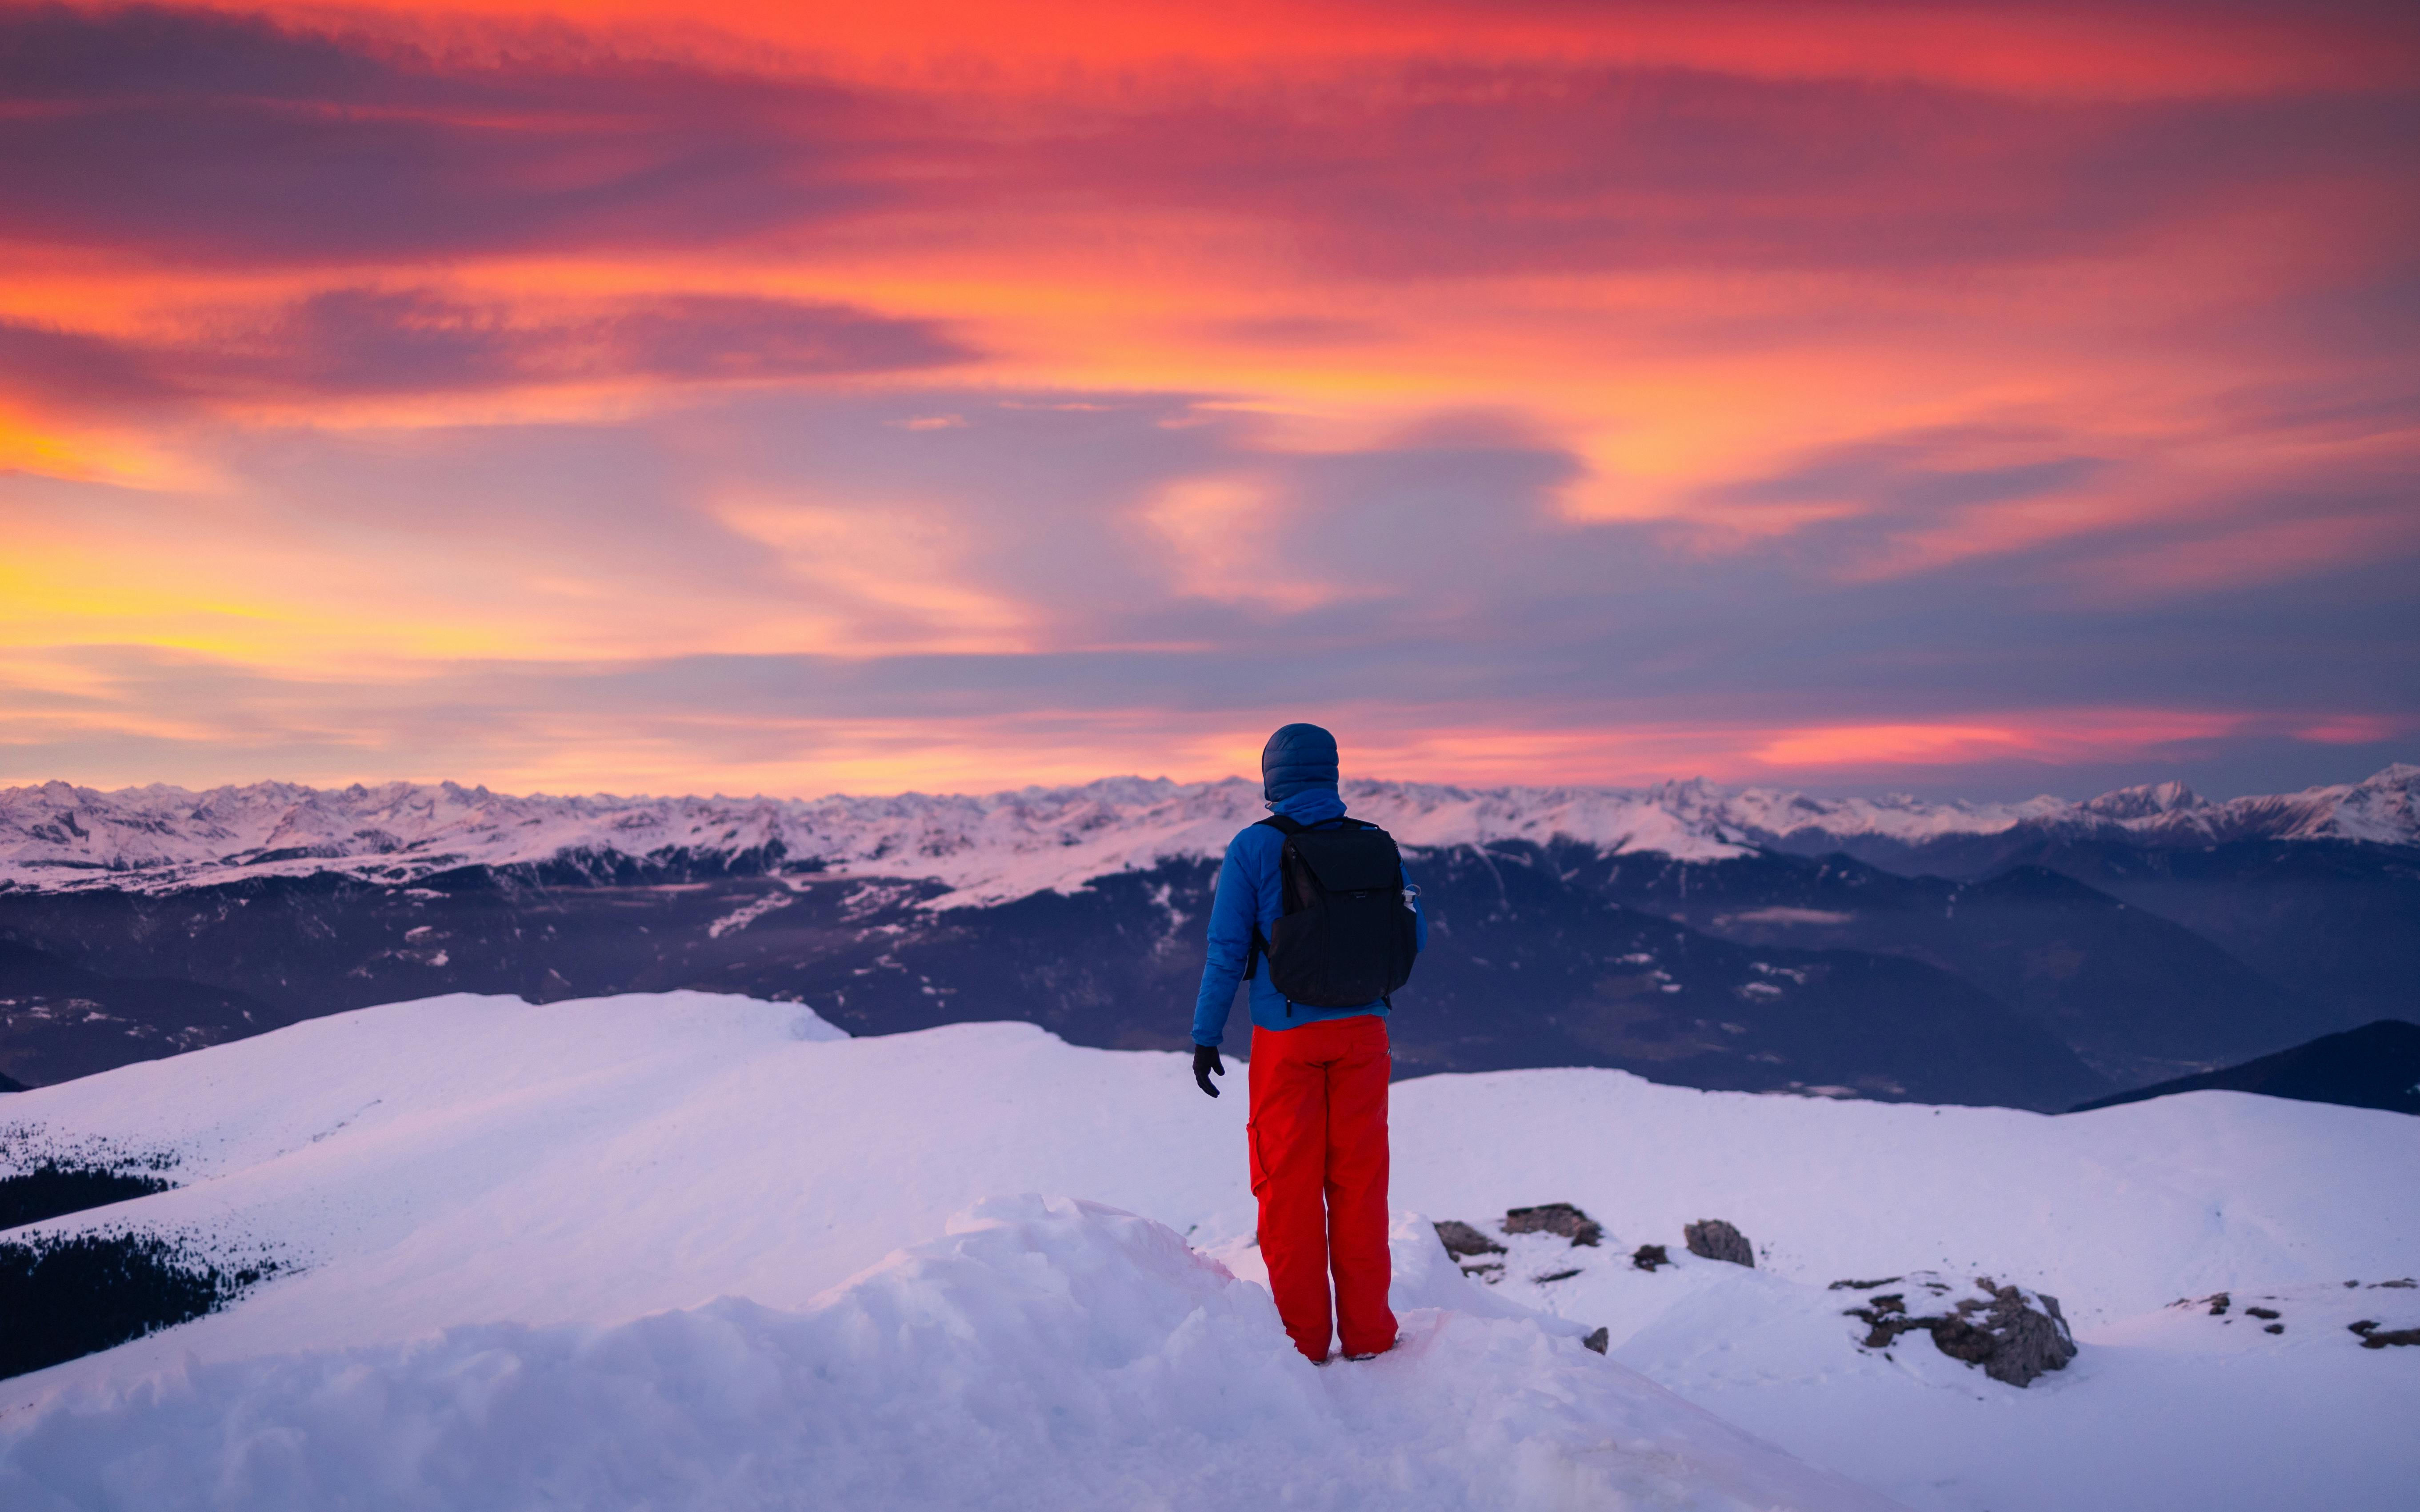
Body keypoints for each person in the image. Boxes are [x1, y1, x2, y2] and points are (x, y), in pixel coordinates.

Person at [1190, 722, 1425, 1363]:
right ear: (1332, 774)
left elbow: (1226, 950)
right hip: (1365, 1034)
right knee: (1359, 1185)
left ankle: (1303, 1341)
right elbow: (1413, 935)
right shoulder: (1375, 843)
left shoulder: (1255, 846)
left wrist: (1206, 1036)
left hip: (1287, 1040)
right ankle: (1370, 1336)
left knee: (1287, 1189)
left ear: (1272, 778)